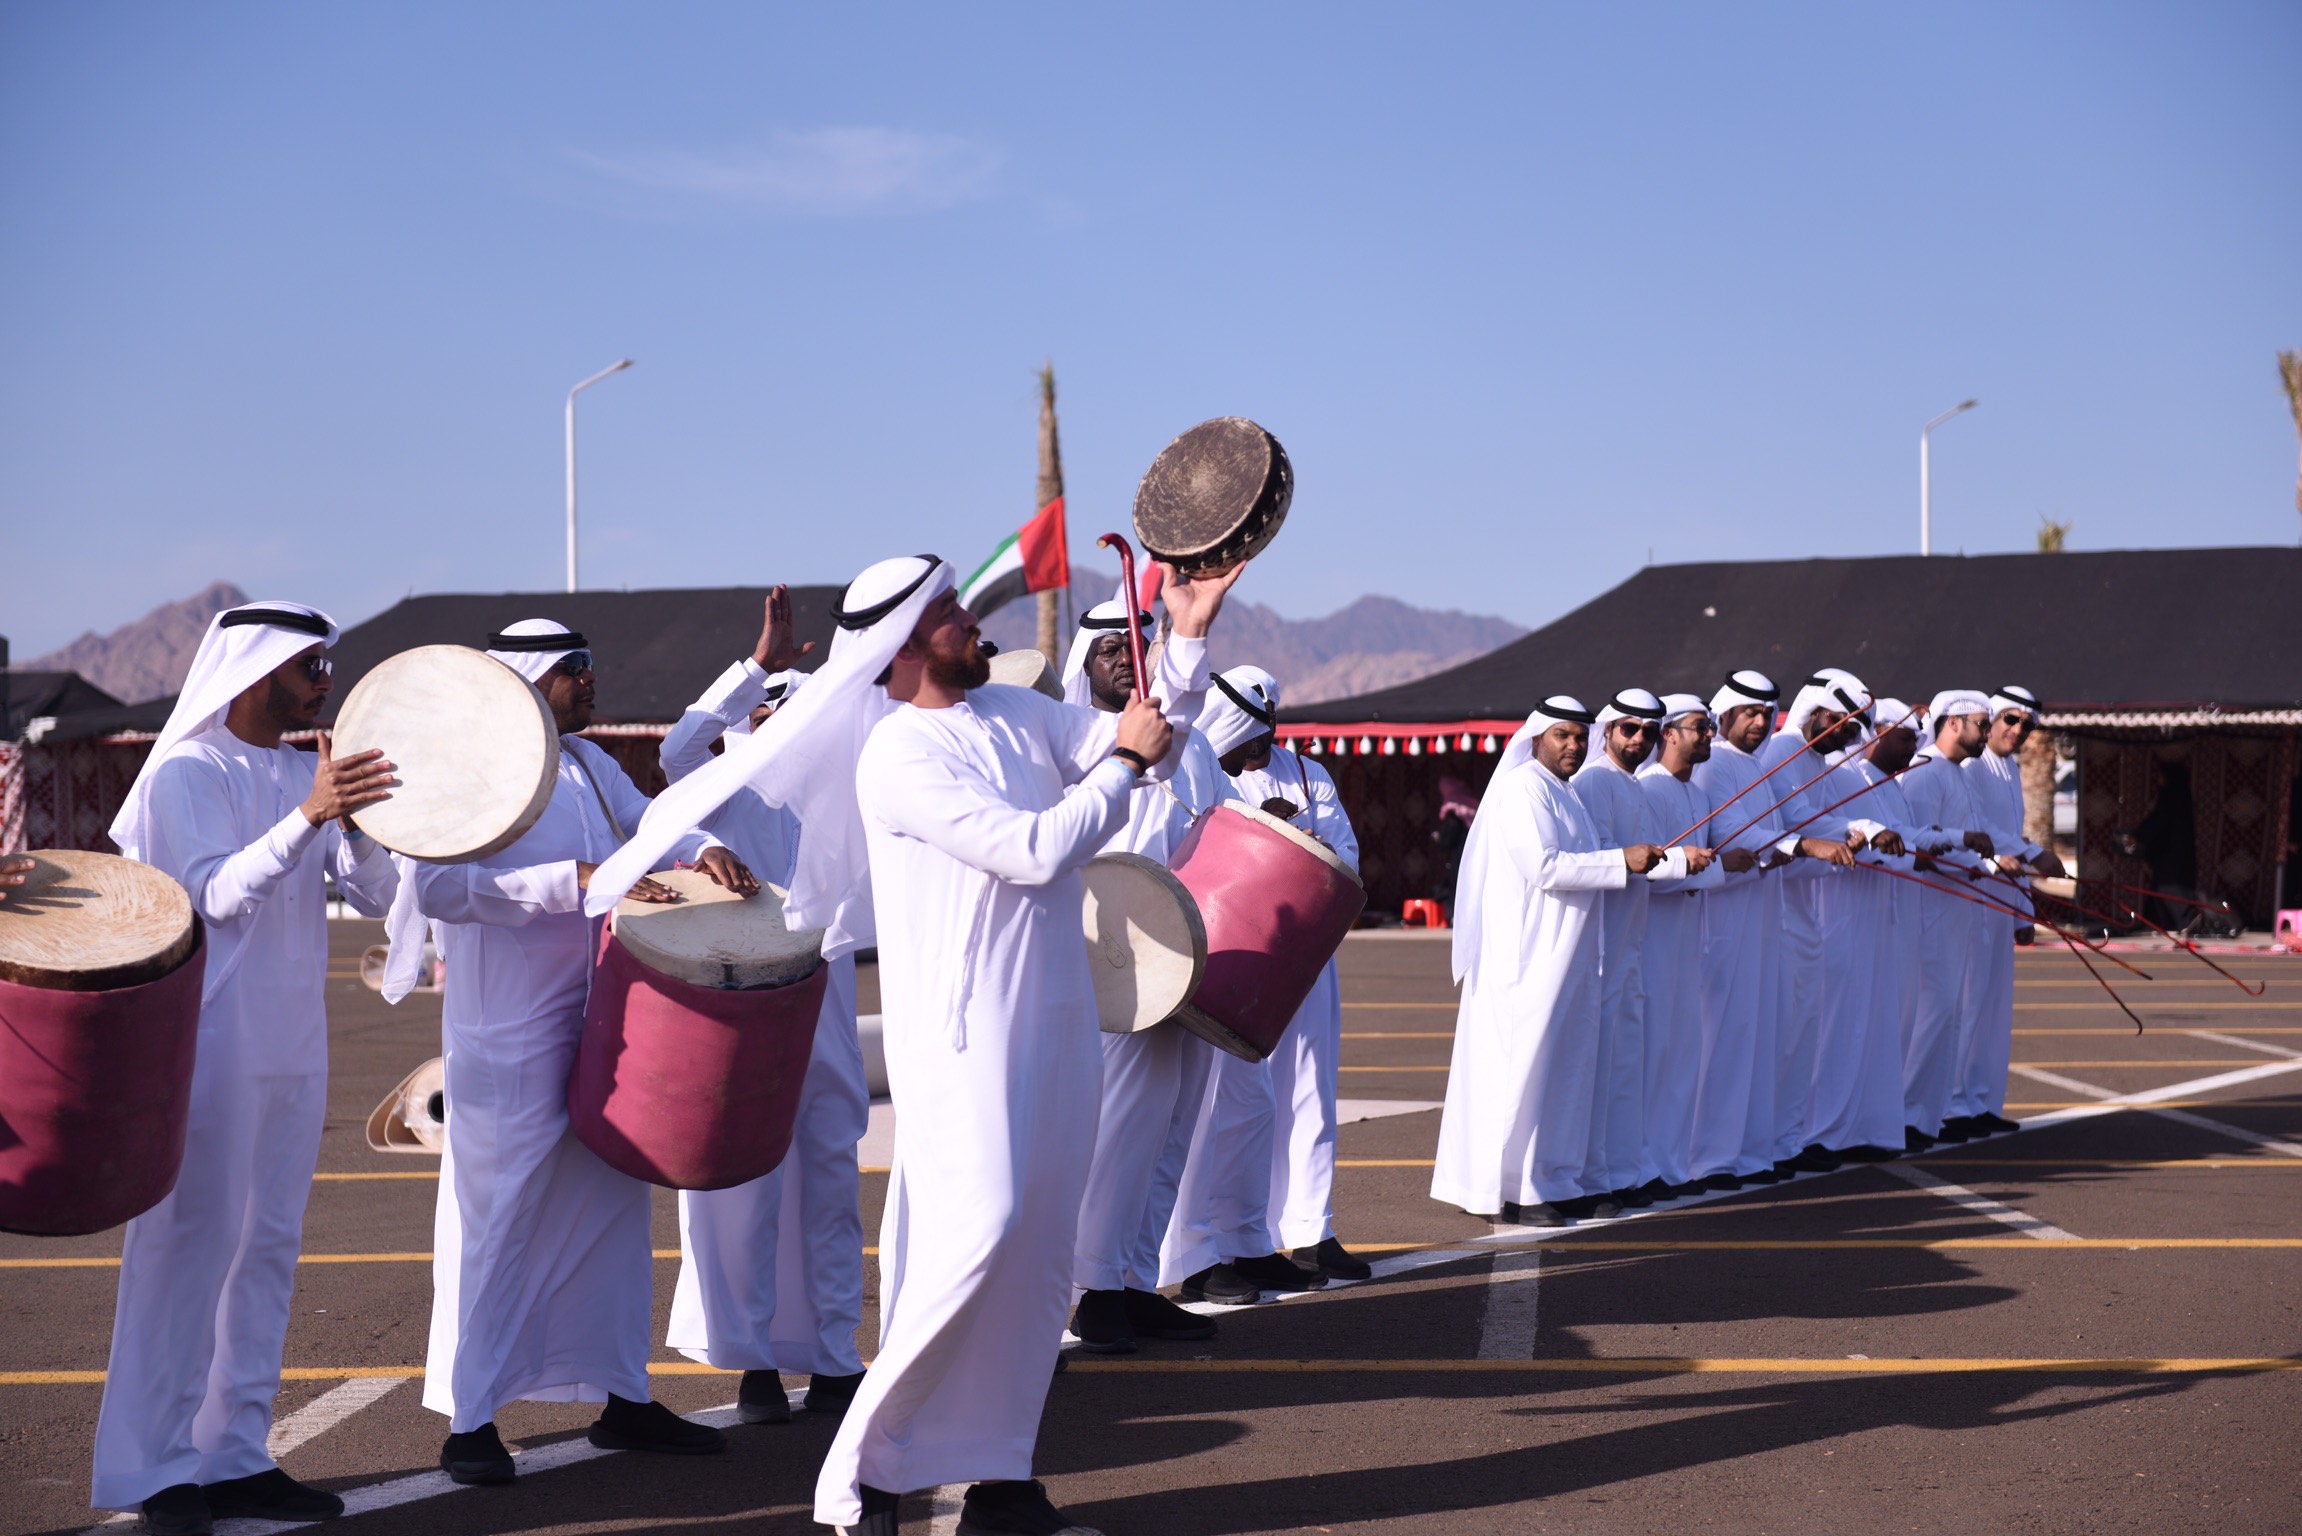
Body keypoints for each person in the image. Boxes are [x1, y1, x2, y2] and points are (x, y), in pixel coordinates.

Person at [815, 558, 1236, 1536]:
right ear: (904, 645)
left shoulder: (1016, 712)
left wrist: (1183, 642)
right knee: (981, 1234)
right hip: (965, 1036)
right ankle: (860, 1482)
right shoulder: (897, 754)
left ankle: (999, 1478)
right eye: (951, 614)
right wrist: (1125, 763)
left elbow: (1149, 750)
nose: (972, 623)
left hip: (1057, 1015)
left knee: (1041, 1253)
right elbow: (1036, 849)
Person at [390, 621, 754, 1486]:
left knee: (612, 1212)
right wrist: (570, 883)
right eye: (572, 669)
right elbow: (439, 887)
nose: (590, 681)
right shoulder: (476, 772)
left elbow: (650, 826)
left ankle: (623, 1396)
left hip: (607, 1017)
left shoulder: (591, 765)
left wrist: (704, 848)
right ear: (523, 681)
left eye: (589, 665)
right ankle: (470, 1416)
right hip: (506, 1036)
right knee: (494, 1222)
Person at [92, 601, 399, 1534]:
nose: (325, 684)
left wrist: (351, 824)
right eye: (311, 668)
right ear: (257, 672)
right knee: (188, 1254)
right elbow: (213, 896)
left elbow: (381, 896)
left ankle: (235, 1455)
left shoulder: (294, 772)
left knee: (266, 1253)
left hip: (295, 1044)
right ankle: (156, 1468)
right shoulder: (188, 772)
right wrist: (309, 815)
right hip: (212, 1040)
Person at [662, 588, 873, 1424]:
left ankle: (832, 1358)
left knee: (829, 1178)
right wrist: (756, 669)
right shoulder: (725, 792)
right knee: (743, 1188)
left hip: (824, 1001)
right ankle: (749, 1362)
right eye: (771, 711)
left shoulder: (847, 790)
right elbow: (679, 750)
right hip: (744, 1013)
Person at [1066, 600, 1233, 1353]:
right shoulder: (1071, 743)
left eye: (1133, 647)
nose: (1121, 659)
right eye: (1106, 648)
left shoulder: (1187, 747)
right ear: (1082, 662)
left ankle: (1135, 1279)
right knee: (1119, 1130)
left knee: (1171, 1128)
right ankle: (1090, 1289)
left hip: (1188, 959)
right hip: (1113, 966)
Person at [1430, 697, 1665, 1226]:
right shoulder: (1521, 789)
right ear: (1537, 737)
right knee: (1526, 1073)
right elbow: (1545, 867)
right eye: (1564, 736)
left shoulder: (1566, 794)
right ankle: (1517, 1189)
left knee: (1567, 1072)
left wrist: (1628, 860)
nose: (1574, 746)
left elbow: (1586, 858)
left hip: (1567, 958)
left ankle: (1556, 1180)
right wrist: (1619, 860)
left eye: (1581, 737)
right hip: (1525, 961)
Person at [1210, 666, 1371, 1281]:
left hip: (1305, 958)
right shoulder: (1200, 773)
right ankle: (1231, 1239)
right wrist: (1267, 833)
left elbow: (1345, 854)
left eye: (1268, 731)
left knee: (1311, 1094)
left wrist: (1291, 837)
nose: (1263, 747)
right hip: (1233, 966)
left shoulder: (1307, 771)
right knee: (1238, 1103)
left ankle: (1310, 1228)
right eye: (1254, 734)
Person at [1572, 689, 1715, 1215]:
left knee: (1627, 1067)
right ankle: (1591, 1180)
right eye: (1628, 729)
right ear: (1606, 730)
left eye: (1647, 732)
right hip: (1603, 947)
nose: (1638, 740)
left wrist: (1679, 861)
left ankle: (1621, 1174)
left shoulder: (1629, 785)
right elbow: (1606, 862)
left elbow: (1644, 860)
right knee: (1602, 1068)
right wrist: (1678, 862)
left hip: (1630, 948)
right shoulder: (1593, 782)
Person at [1750, 670, 1871, 1171]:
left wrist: (1855, 830)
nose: (1855, 735)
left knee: (1803, 1030)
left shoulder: (1814, 759)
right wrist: (1858, 827)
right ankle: (1771, 1144)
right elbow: (1798, 823)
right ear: (1821, 713)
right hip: (1776, 913)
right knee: (1782, 1031)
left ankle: (1788, 1142)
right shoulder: (1781, 752)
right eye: (1849, 722)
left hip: (1806, 911)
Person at [1633, 693, 1738, 1199]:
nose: (1710, 735)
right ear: (1668, 733)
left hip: (1689, 941)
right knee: (1654, 1055)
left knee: (1681, 1056)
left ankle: (1673, 1167)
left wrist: (1713, 866)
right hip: (1653, 939)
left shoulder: (1697, 795)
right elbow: (1645, 872)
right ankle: (1644, 1165)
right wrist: (1695, 867)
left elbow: (1706, 864)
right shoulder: (1647, 789)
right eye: (1701, 727)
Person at [1957, 685, 2062, 1137]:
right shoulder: (1972, 764)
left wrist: (2022, 912)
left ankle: (1979, 1103)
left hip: (2000, 904)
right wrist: (2036, 852)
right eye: (2010, 720)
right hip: (1969, 898)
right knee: (1963, 1004)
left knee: (1991, 1008)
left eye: (2027, 725)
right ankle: (1951, 1108)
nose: (2017, 731)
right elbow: (1981, 836)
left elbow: (2008, 837)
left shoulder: (2010, 768)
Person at [1896, 692, 1999, 1143]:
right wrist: (1963, 859)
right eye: (1981, 724)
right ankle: (1904, 1117)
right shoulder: (1924, 772)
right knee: (1928, 1013)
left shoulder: (1961, 774)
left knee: (1949, 1013)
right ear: (1953, 723)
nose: (1987, 734)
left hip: (1958, 910)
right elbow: (1919, 848)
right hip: (1929, 912)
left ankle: (1930, 1116)